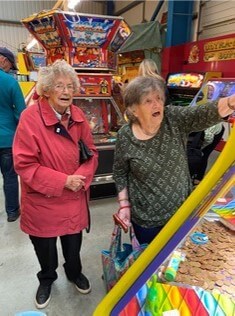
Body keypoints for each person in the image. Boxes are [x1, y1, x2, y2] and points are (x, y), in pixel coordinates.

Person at [13, 60, 98, 309]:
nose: (66, 91)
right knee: (45, 248)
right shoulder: (30, 119)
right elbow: (24, 165)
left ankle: (74, 273)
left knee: (73, 245)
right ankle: (47, 279)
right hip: (44, 200)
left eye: (70, 86)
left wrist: (80, 177)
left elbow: (91, 153)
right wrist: (63, 181)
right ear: (46, 90)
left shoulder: (79, 117)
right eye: (59, 86)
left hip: (73, 198)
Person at [113, 76, 235, 245]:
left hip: (181, 213)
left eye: (158, 98)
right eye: (148, 101)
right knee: (148, 264)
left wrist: (230, 102)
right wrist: (124, 204)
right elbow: (120, 172)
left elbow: (202, 113)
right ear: (134, 110)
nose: (157, 105)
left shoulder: (173, 118)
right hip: (145, 220)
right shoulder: (125, 136)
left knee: (176, 261)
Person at [0, 47, 26, 222]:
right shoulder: (10, 82)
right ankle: (12, 212)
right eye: (10, 65)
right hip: (7, 139)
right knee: (9, 177)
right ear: (3, 60)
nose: (10, 69)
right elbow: (22, 113)